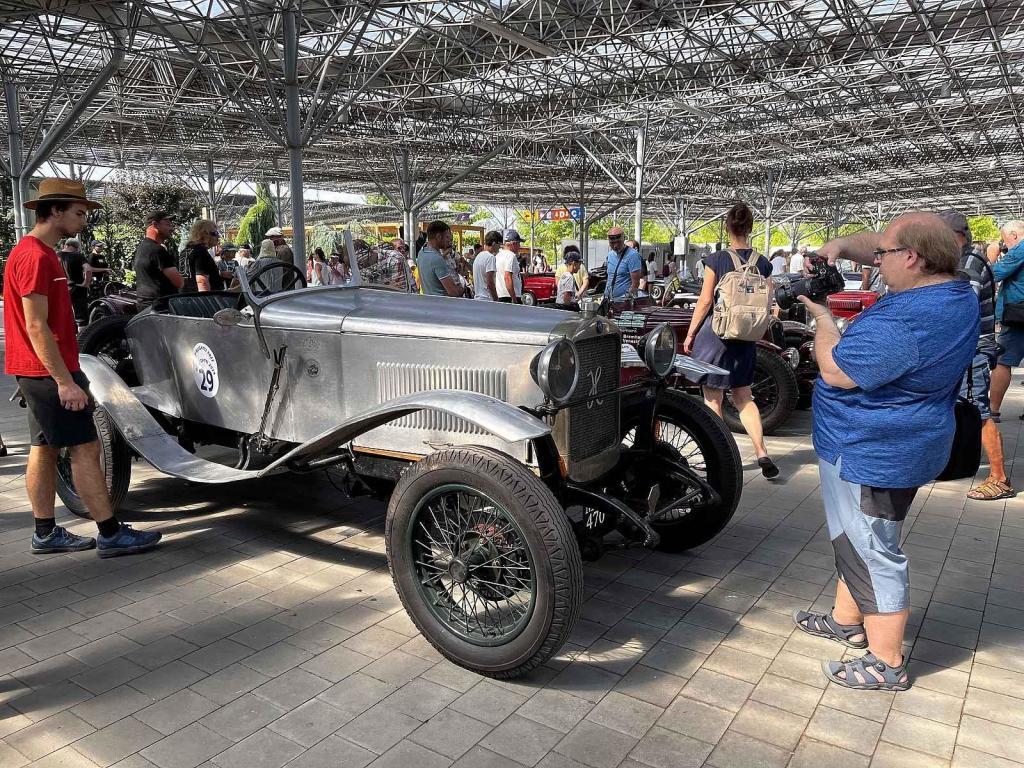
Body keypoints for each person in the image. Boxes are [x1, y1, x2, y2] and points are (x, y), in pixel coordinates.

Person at [795, 212, 978, 691]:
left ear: (913, 258)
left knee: (873, 550)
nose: (875, 259)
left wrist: (821, 316)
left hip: (871, 449)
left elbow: (836, 371)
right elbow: (880, 243)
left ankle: (886, 661)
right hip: (898, 442)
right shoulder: (955, 290)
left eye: (883, 255)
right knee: (854, 538)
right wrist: (836, 245)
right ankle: (846, 620)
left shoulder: (911, 318)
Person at [4, 179, 162, 556]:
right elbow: (36, 325)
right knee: (85, 448)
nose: (82, 220)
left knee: (43, 450)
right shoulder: (36, 257)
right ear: (54, 211)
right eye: (78, 212)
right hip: (48, 374)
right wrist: (64, 381)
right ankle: (110, 533)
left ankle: (45, 532)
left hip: (39, 371)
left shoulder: (38, 253)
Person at [683, 203, 778, 479]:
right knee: (743, 397)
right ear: (750, 228)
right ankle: (762, 452)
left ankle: (721, 458)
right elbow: (769, 300)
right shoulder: (763, 262)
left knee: (713, 400)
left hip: (717, 335)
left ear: (728, 226)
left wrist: (690, 334)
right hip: (745, 338)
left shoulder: (717, 260)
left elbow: (704, 301)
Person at [935, 211, 1010, 501]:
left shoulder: (969, 265)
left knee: (979, 411)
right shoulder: (960, 262)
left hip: (973, 349)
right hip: (967, 348)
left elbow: (958, 307)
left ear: (958, 237)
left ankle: (999, 477)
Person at [989, 220, 1024, 427]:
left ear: (1013, 235)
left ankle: (992, 409)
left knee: (1003, 361)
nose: (1005, 246)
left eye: (1004, 241)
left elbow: (994, 273)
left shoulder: (1021, 247)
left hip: (1018, 316)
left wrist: (992, 255)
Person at [133, 210, 183, 305]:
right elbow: (179, 282)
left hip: (146, 304)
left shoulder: (142, 247)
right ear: (155, 224)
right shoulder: (157, 250)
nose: (171, 228)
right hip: (160, 307)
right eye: (168, 224)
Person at [416, 221, 463, 297]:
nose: (449, 240)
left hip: (430, 303)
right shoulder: (436, 258)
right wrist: (462, 287)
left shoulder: (422, 252)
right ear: (439, 237)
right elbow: (454, 292)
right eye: (447, 237)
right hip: (442, 305)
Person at [184, 219, 230, 292]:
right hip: (202, 299)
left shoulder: (186, 250)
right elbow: (201, 280)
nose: (218, 237)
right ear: (204, 234)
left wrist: (220, 274)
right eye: (215, 233)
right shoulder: (200, 252)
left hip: (188, 297)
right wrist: (207, 300)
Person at [605, 227, 643, 300]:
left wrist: (625, 300)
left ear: (624, 239)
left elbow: (635, 284)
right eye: (612, 243)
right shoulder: (610, 255)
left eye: (618, 242)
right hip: (608, 301)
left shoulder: (633, 255)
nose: (615, 246)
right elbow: (610, 278)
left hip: (623, 303)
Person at [58, 238, 89, 325]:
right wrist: (86, 283)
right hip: (77, 287)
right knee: (81, 317)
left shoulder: (57, 255)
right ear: (76, 247)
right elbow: (88, 269)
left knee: (63, 313)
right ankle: (81, 337)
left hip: (62, 288)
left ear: (66, 245)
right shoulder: (78, 255)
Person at [495, 229, 524, 303]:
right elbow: (507, 277)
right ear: (513, 244)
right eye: (518, 244)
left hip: (500, 294)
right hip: (509, 296)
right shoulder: (511, 256)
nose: (519, 246)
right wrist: (513, 298)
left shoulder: (498, 255)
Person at [472, 230, 500, 301]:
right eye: (499, 244)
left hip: (478, 297)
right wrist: (496, 299)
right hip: (487, 298)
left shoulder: (479, 256)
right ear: (494, 243)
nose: (499, 247)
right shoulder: (490, 257)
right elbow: (490, 282)